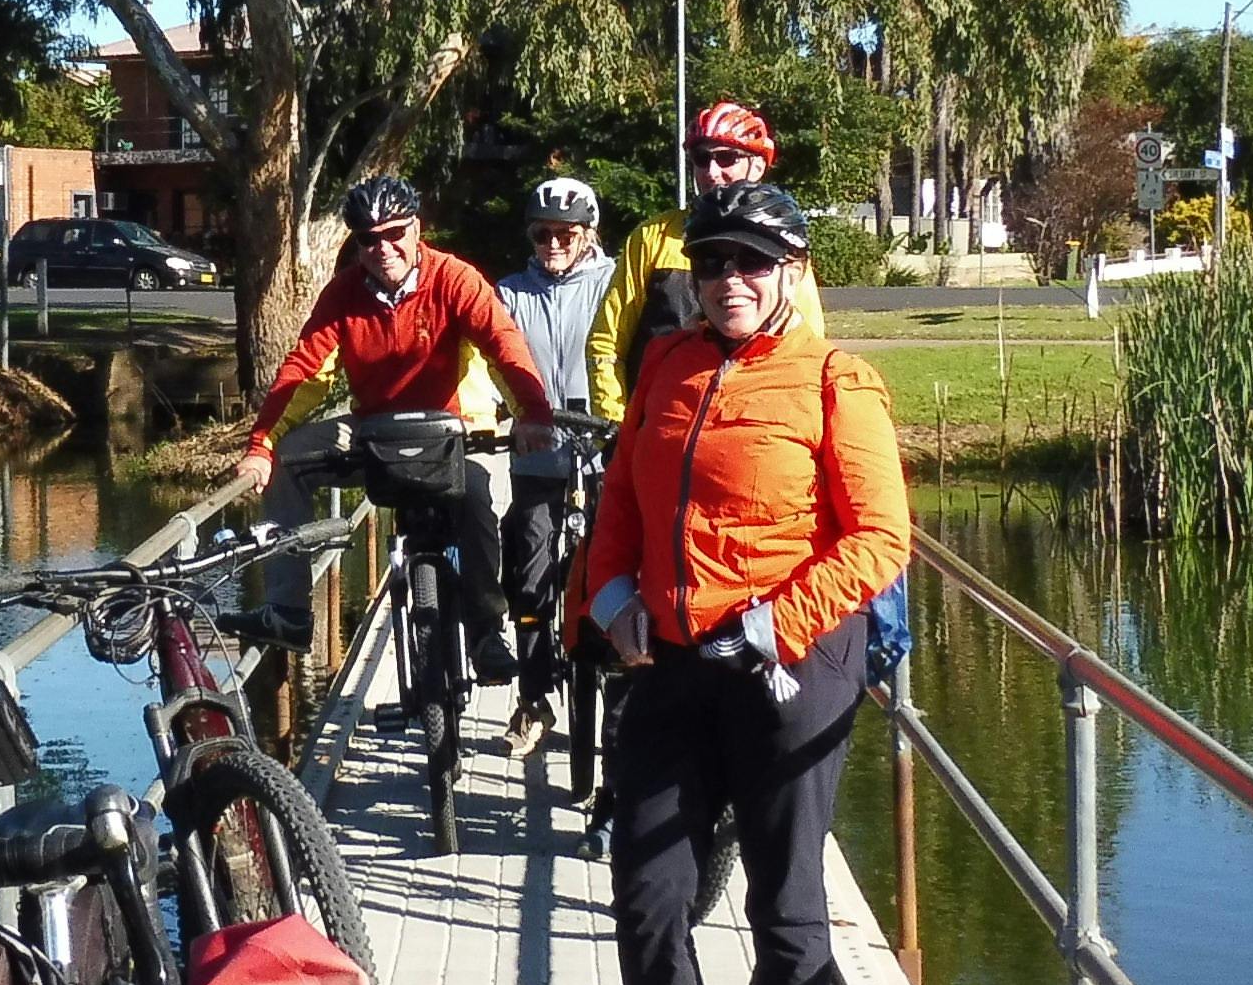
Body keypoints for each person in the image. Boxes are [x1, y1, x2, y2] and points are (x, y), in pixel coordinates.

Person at [567, 178, 909, 985]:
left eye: (751, 263)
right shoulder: (667, 364)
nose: (728, 282)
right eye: (710, 263)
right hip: (669, 660)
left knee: (786, 893)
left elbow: (880, 537)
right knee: (648, 886)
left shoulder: (838, 380)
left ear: (793, 273)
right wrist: (612, 594)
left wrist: (777, 623)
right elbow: (623, 493)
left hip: (789, 667)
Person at [228, 174, 559, 695]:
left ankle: (486, 633)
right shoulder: (343, 294)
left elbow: (504, 345)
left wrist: (533, 413)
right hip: (375, 430)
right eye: (368, 238)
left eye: (394, 233)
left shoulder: (455, 279)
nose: (383, 248)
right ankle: (290, 611)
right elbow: (305, 372)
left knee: (477, 498)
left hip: (454, 430)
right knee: (289, 460)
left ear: (417, 229)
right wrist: (261, 443)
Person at [587, 101, 828, 418]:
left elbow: (808, 347)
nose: (711, 172)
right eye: (701, 159)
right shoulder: (651, 237)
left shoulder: (779, 239)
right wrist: (616, 426)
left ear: (757, 166)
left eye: (726, 157)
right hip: (659, 427)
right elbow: (607, 344)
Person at [491, 176, 616, 756]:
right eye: (542, 233)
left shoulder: (614, 284)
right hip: (538, 446)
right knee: (530, 559)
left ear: (589, 233)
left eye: (565, 233)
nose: (552, 244)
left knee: (615, 563)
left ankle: (621, 700)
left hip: (602, 443)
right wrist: (511, 413)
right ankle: (533, 696)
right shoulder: (510, 291)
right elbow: (489, 358)